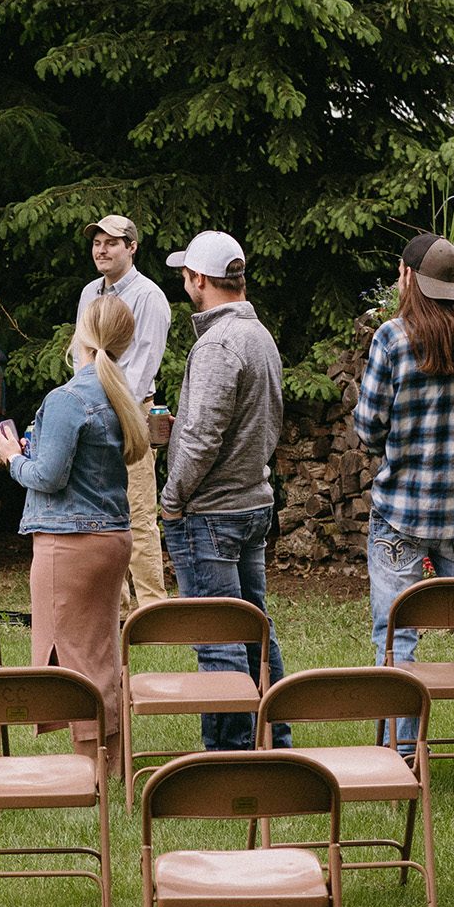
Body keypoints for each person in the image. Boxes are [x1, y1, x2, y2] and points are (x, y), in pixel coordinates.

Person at [355, 235, 454, 760]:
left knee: (397, 629)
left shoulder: (392, 339)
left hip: (400, 512)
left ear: (405, 277)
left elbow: (369, 426)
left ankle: (399, 749)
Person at [0, 296, 147, 777]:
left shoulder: (68, 397)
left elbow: (47, 477)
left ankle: (92, 773)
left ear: (82, 335)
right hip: (111, 538)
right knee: (99, 650)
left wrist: (11, 457)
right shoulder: (117, 391)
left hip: (70, 543)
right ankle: (114, 765)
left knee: (77, 656)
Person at [157, 232, 290, 750]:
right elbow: (260, 421)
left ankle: (231, 757)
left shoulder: (217, 344)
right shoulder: (259, 335)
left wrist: (172, 498)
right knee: (255, 631)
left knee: (219, 640)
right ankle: (276, 741)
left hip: (211, 511)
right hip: (252, 499)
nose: (183, 283)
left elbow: (204, 436)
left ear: (201, 280)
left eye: (185, 275)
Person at [78, 217, 173, 610]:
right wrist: (83, 403)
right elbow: (83, 353)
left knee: (137, 512)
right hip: (92, 409)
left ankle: (151, 608)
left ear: (132, 248)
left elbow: (143, 365)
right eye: (97, 243)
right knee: (99, 512)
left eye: (111, 243)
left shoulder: (149, 296)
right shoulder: (89, 292)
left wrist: (109, 409)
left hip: (132, 412)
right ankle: (111, 608)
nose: (101, 249)